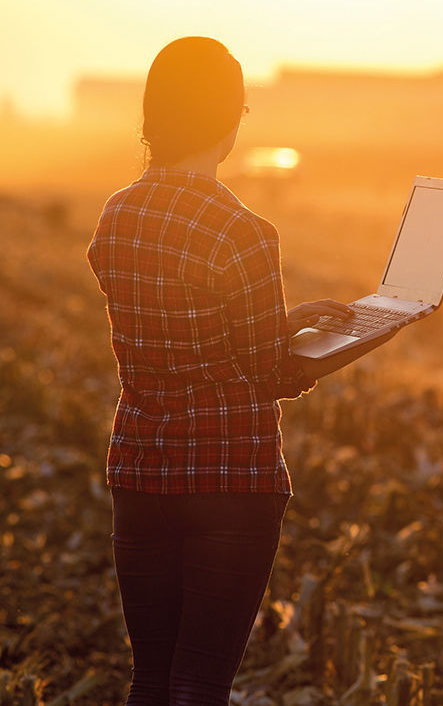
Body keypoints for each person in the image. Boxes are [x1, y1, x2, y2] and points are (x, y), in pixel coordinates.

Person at [87, 36, 394, 705]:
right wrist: (355, 338)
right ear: (230, 123)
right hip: (229, 480)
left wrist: (287, 317)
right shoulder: (243, 232)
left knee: (151, 680)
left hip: (140, 471)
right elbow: (269, 373)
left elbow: (178, 326)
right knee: (200, 683)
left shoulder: (115, 218)